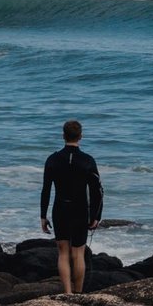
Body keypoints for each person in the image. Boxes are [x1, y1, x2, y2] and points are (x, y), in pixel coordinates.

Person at [40, 120, 105, 295]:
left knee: (63, 253)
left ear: (63, 136)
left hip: (60, 209)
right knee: (78, 253)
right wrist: (96, 216)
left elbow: (46, 189)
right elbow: (97, 191)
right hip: (80, 209)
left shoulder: (52, 159)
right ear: (81, 136)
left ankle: (67, 293)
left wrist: (43, 216)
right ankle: (78, 293)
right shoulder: (87, 160)